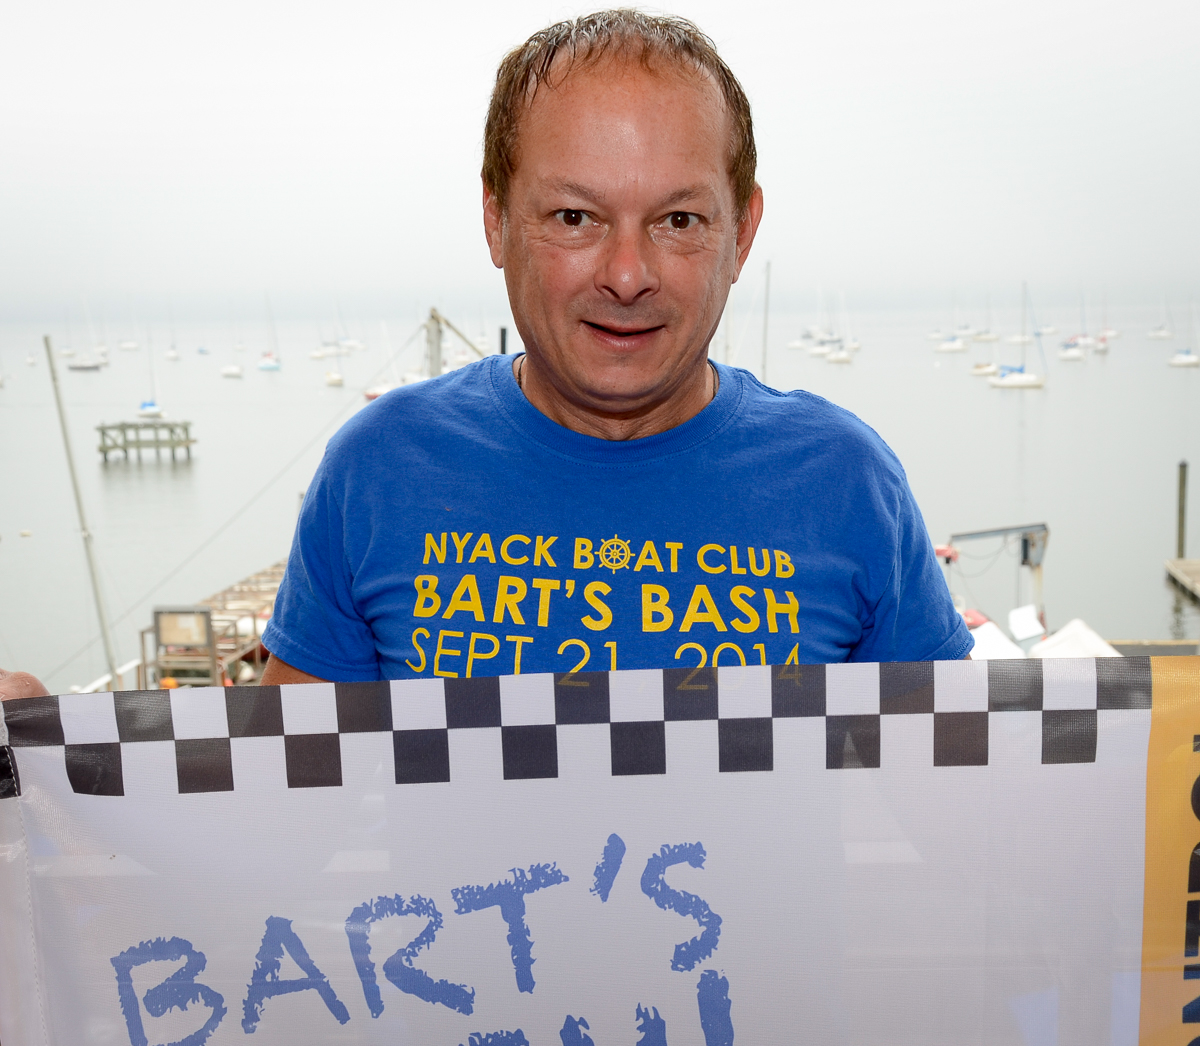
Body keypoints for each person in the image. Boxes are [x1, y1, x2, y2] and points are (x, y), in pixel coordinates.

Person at [1, 11, 969, 702]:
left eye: (678, 220)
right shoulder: (380, 468)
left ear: (741, 232)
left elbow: (962, 812)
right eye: (574, 217)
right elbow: (274, 817)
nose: (627, 274)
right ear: (496, 220)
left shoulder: (844, 480)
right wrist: (64, 773)